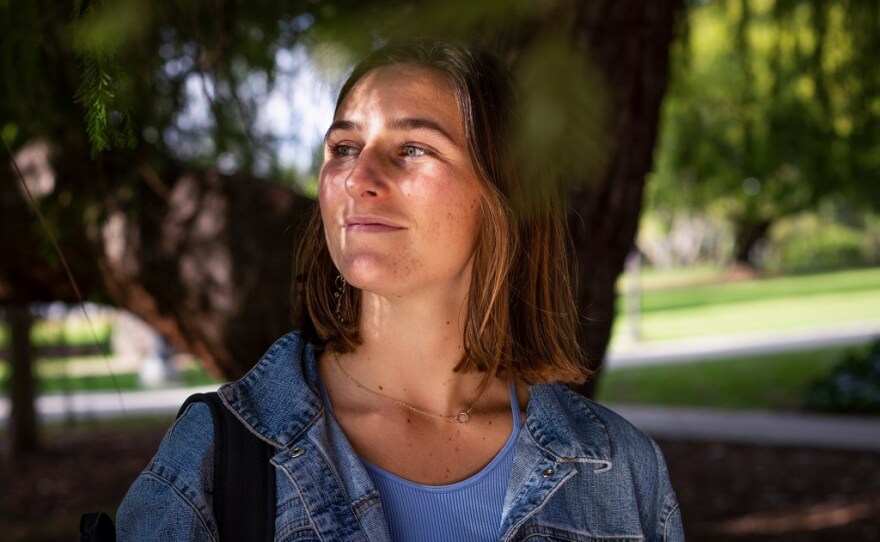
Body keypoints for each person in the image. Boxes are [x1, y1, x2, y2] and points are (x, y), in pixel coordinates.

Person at [117, 39, 684, 541]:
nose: (359, 178)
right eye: (343, 148)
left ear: (506, 193)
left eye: (413, 148)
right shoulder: (217, 460)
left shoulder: (617, 469)